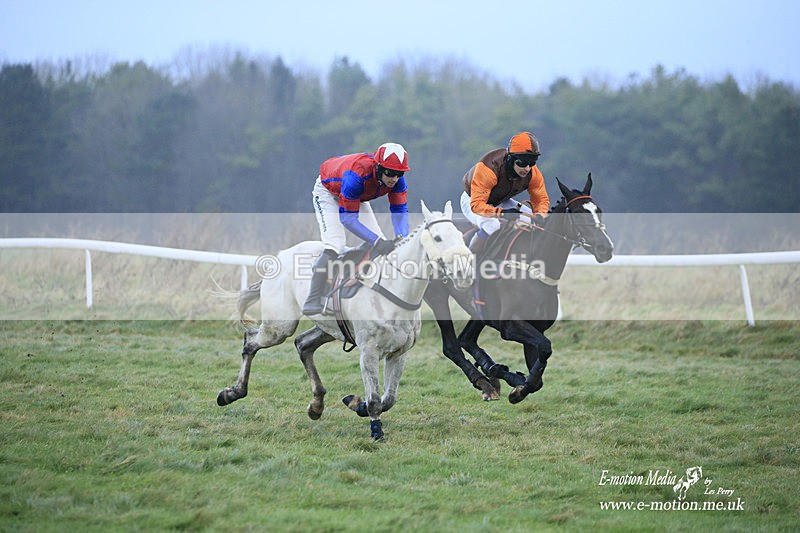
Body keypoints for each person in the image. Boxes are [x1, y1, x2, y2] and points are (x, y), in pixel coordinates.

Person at [302, 142, 411, 315]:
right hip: (328, 192)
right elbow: (348, 219)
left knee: (379, 242)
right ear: (378, 167)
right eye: (390, 173)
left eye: (400, 173)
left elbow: (399, 210)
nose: (394, 178)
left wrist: (403, 237)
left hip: (356, 196)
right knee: (336, 244)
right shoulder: (357, 175)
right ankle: (312, 300)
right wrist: (376, 241)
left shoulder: (397, 180)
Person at [461, 131, 550, 255]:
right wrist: (502, 213)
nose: (527, 168)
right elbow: (477, 205)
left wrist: (541, 215)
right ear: (510, 158)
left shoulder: (533, 173)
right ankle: (469, 260)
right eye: (522, 163)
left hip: (500, 201)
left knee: (529, 218)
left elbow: (541, 200)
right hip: (472, 200)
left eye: (532, 162)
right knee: (492, 225)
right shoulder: (488, 168)